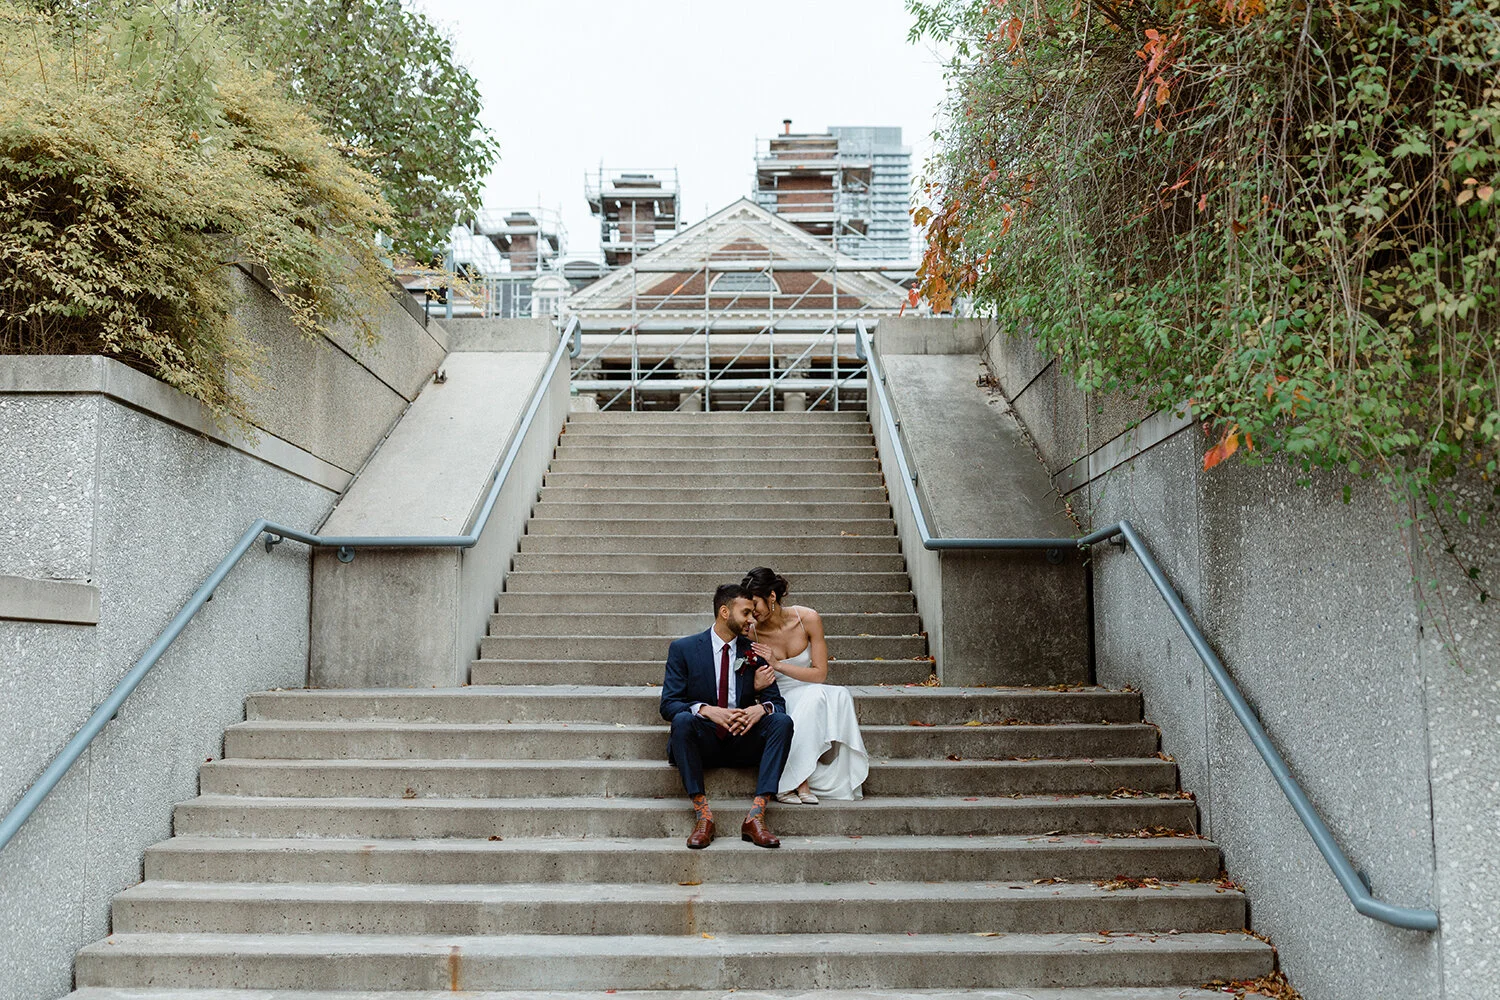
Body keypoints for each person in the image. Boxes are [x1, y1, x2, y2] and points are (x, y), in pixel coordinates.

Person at [660, 583, 793, 849]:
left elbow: (777, 703)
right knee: (683, 720)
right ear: (724, 612)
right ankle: (704, 817)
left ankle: (755, 817)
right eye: (746, 613)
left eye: (753, 613)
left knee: (781, 722)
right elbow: (669, 704)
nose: (752, 620)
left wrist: (760, 708)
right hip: (704, 740)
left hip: (743, 739)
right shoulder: (684, 649)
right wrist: (707, 710)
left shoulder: (754, 653)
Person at [742, 567, 869, 803]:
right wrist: (757, 685)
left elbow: (820, 673)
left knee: (836, 694)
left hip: (810, 685)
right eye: (748, 609)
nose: (752, 614)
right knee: (815, 698)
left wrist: (777, 664)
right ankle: (799, 783)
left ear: (772, 596)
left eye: (755, 606)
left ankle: (796, 781)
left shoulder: (807, 618)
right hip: (779, 694)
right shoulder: (751, 633)